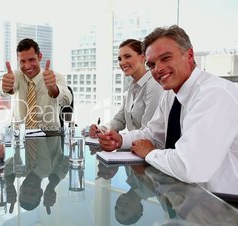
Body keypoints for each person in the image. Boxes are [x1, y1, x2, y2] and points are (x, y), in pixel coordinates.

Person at [98, 25, 238, 194]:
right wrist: (121, 140)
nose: (157, 69)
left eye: (165, 58)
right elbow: (153, 133)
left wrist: (150, 153)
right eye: (152, 64)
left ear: (190, 55)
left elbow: (189, 166)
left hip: (222, 206)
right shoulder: (171, 94)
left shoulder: (214, 94)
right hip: (187, 198)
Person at [89, 39, 163, 137]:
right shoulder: (132, 88)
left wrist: (121, 140)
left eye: (127, 56)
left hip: (149, 148)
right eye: (119, 59)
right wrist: (101, 129)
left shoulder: (154, 85)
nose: (122, 62)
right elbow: (120, 119)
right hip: (133, 146)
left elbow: (147, 130)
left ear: (143, 57)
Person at [0, 38, 72, 130]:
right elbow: (3, 90)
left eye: (31, 60)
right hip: (20, 135)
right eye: (22, 61)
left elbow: (67, 100)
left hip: (49, 135)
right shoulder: (16, 76)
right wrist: (6, 87)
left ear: (40, 56)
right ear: (18, 60)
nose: (27, 66)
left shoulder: (55, 77)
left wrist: (54, 89)